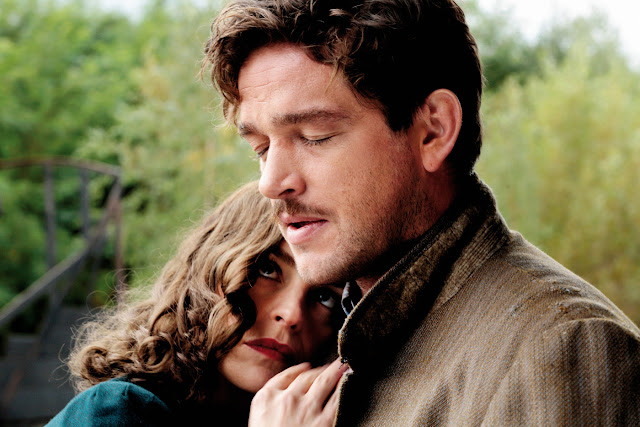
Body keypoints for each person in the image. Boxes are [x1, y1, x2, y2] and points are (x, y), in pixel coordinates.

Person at [202, 0, 640, 425]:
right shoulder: (334, 343)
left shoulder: (560, 349)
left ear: (433, 130)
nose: (271, 183)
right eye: (261, 148)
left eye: (315, 136)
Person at [46, 181, 345, 426]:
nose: (291, 314)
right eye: (266, 270)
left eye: (325, 297)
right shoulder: (118, 412)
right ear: (207, 269)